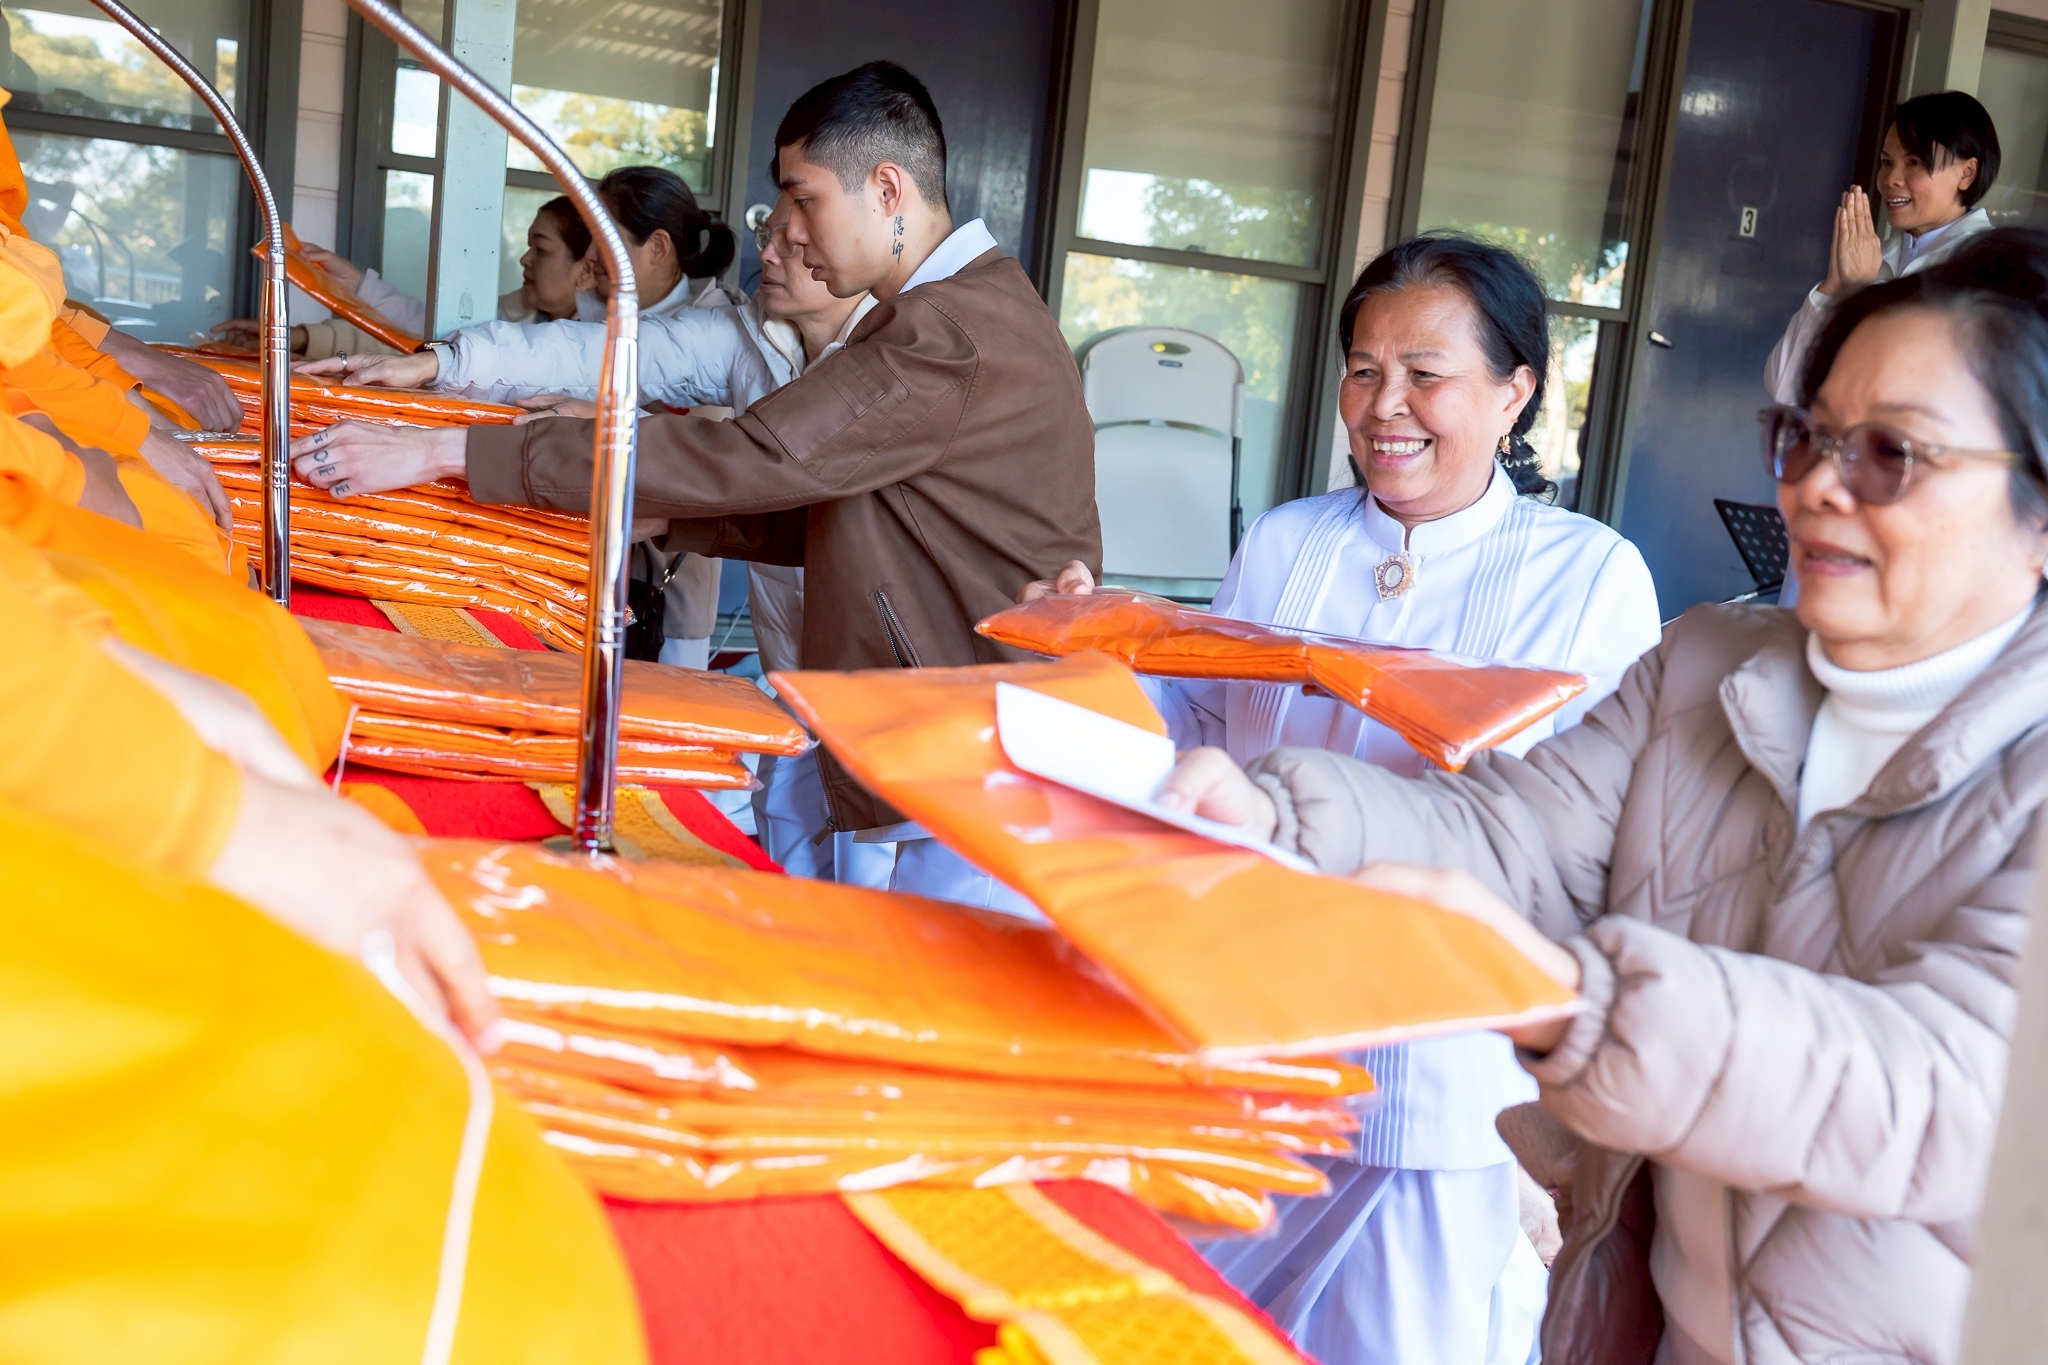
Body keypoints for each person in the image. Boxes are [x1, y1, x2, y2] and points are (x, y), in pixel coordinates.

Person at [1158, 227, 2048, 1365]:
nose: (1818, 486)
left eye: (1894, 454)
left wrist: (1573, 1000)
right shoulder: (1716, 661)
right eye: (1805, 438)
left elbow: (1936, 1095)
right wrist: (1277, 811)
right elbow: (1513, 829)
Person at [1025, 234, 1663, 1364]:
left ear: (1515, 392)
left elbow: (1573, 827)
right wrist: (1089, 653)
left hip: (1435, 1058)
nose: (1385, 406)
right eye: (1362, 370)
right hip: (1247, 1026)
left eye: (1426, 373)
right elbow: (1197, 738)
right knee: (1193, 1321)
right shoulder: (1284, 542)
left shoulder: (1588, 574)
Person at [284, 61, 1102, 875]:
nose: (789, 229)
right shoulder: (948, 311)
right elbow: (845, 508)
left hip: (977, 743)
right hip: (942, 722)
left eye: (804, 196)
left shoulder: (947, 332)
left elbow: (758, 455)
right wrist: (676, 518)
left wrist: (450, 450)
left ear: (887, 190)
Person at [1765, 89, 2000, 403]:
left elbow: (1915, 392)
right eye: (1887, 162)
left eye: (1914, 162)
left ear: (1966, 173)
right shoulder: (1875, 257)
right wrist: (1834, 286)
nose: (1891, 179)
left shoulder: (1991, 270)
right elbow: (1785, 388)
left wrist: (1865, 288)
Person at [214, 194, 599, 359]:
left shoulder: (603, 349)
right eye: (529, 245)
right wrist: (354, 286)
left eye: (542, 249)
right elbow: (427, 334)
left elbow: (434, 351)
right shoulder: (513, 313)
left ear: (587, 269)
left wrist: (295, 338)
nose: (525, 259)